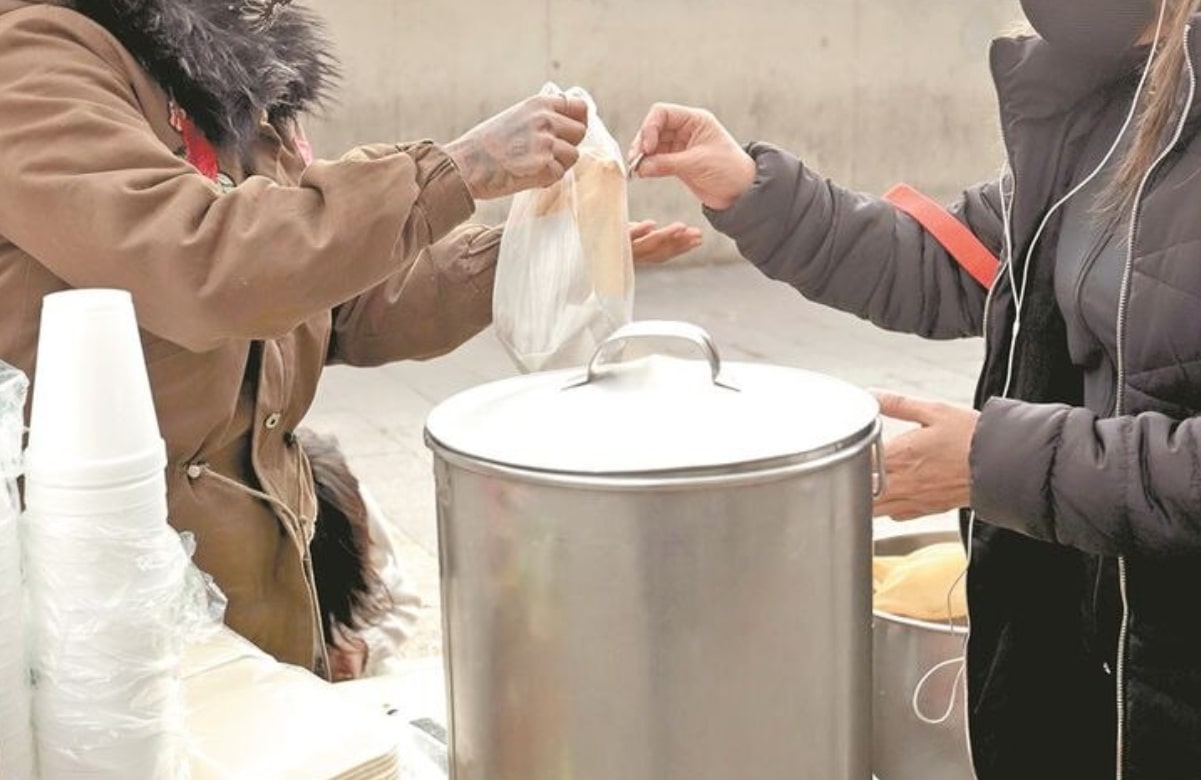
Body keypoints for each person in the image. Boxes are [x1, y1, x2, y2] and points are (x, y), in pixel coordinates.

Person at [0, 0, 701, 678]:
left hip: (248, 578)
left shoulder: (216, 59)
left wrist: (531, 256)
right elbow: (203, 262)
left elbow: (332, 300)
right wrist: (453, 169)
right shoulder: (33, 55)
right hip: (103, 612)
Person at [631, 0, 1201, 777]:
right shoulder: (1109, 103)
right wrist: (750, 190)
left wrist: (996, 465)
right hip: (1091, 658)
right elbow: (943, 262)